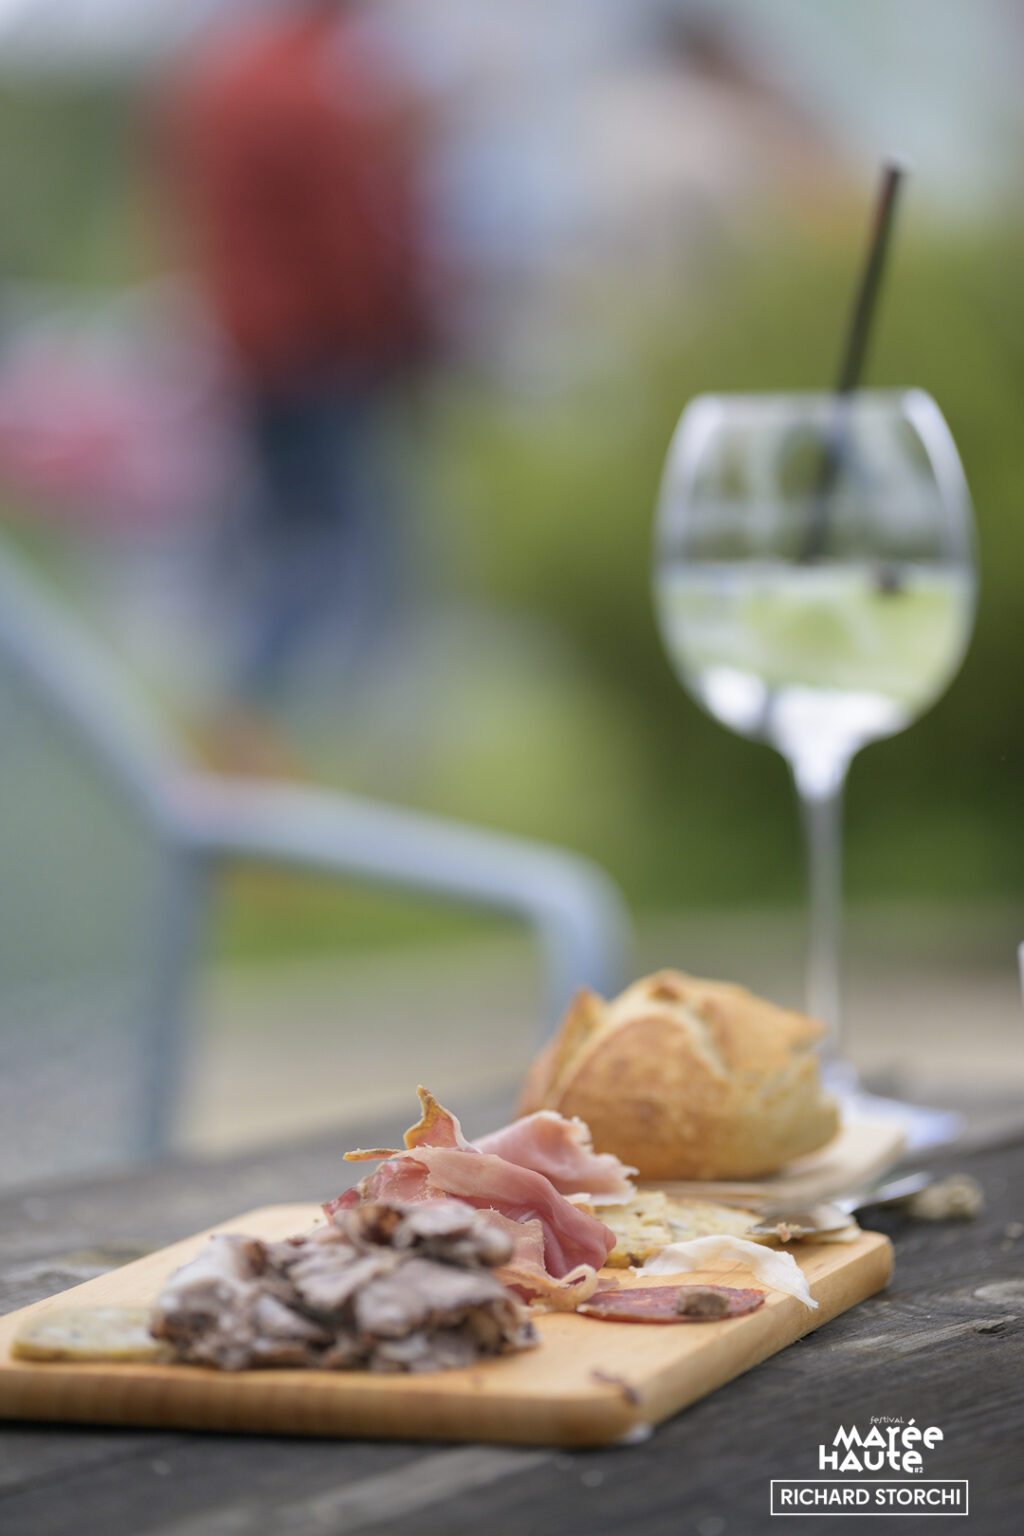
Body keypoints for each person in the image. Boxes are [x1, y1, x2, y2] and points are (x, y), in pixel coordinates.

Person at [157, 0, 435, 766]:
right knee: (324, 553)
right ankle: (251, 726)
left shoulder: (225, 76)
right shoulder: (313, 91)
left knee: (282, 540)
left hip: (253, 346)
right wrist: (397, 325)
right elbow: (349, 240)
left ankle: (255, 729)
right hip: (319, 353)